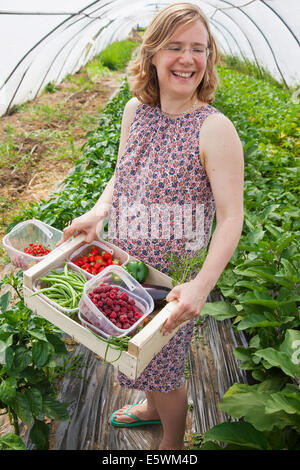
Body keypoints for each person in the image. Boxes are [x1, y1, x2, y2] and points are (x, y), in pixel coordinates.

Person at [58, 2, 244, 450]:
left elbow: (232, 216)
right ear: (153, 54)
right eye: (175, 46)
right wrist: (99, 212)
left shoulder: (214, 129)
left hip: (171, 282)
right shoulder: (134, 111)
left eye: (198, 49)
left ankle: (172, 445)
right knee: (134, 355)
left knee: (163, 371)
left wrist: (201, 285)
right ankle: (148, 406)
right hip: (128, 264)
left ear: (209, 58)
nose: (188, 59)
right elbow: (122, 175)